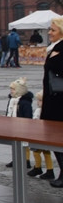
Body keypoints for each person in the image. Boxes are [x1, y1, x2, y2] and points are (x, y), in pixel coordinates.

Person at [43, 17, 63, 187]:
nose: (49, 32)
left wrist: (54, 59)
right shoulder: (54, 48)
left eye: (53, 30)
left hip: (59, 102)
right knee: (54, 138)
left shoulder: (59, 49)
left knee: (57, 138)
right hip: (54, 100)